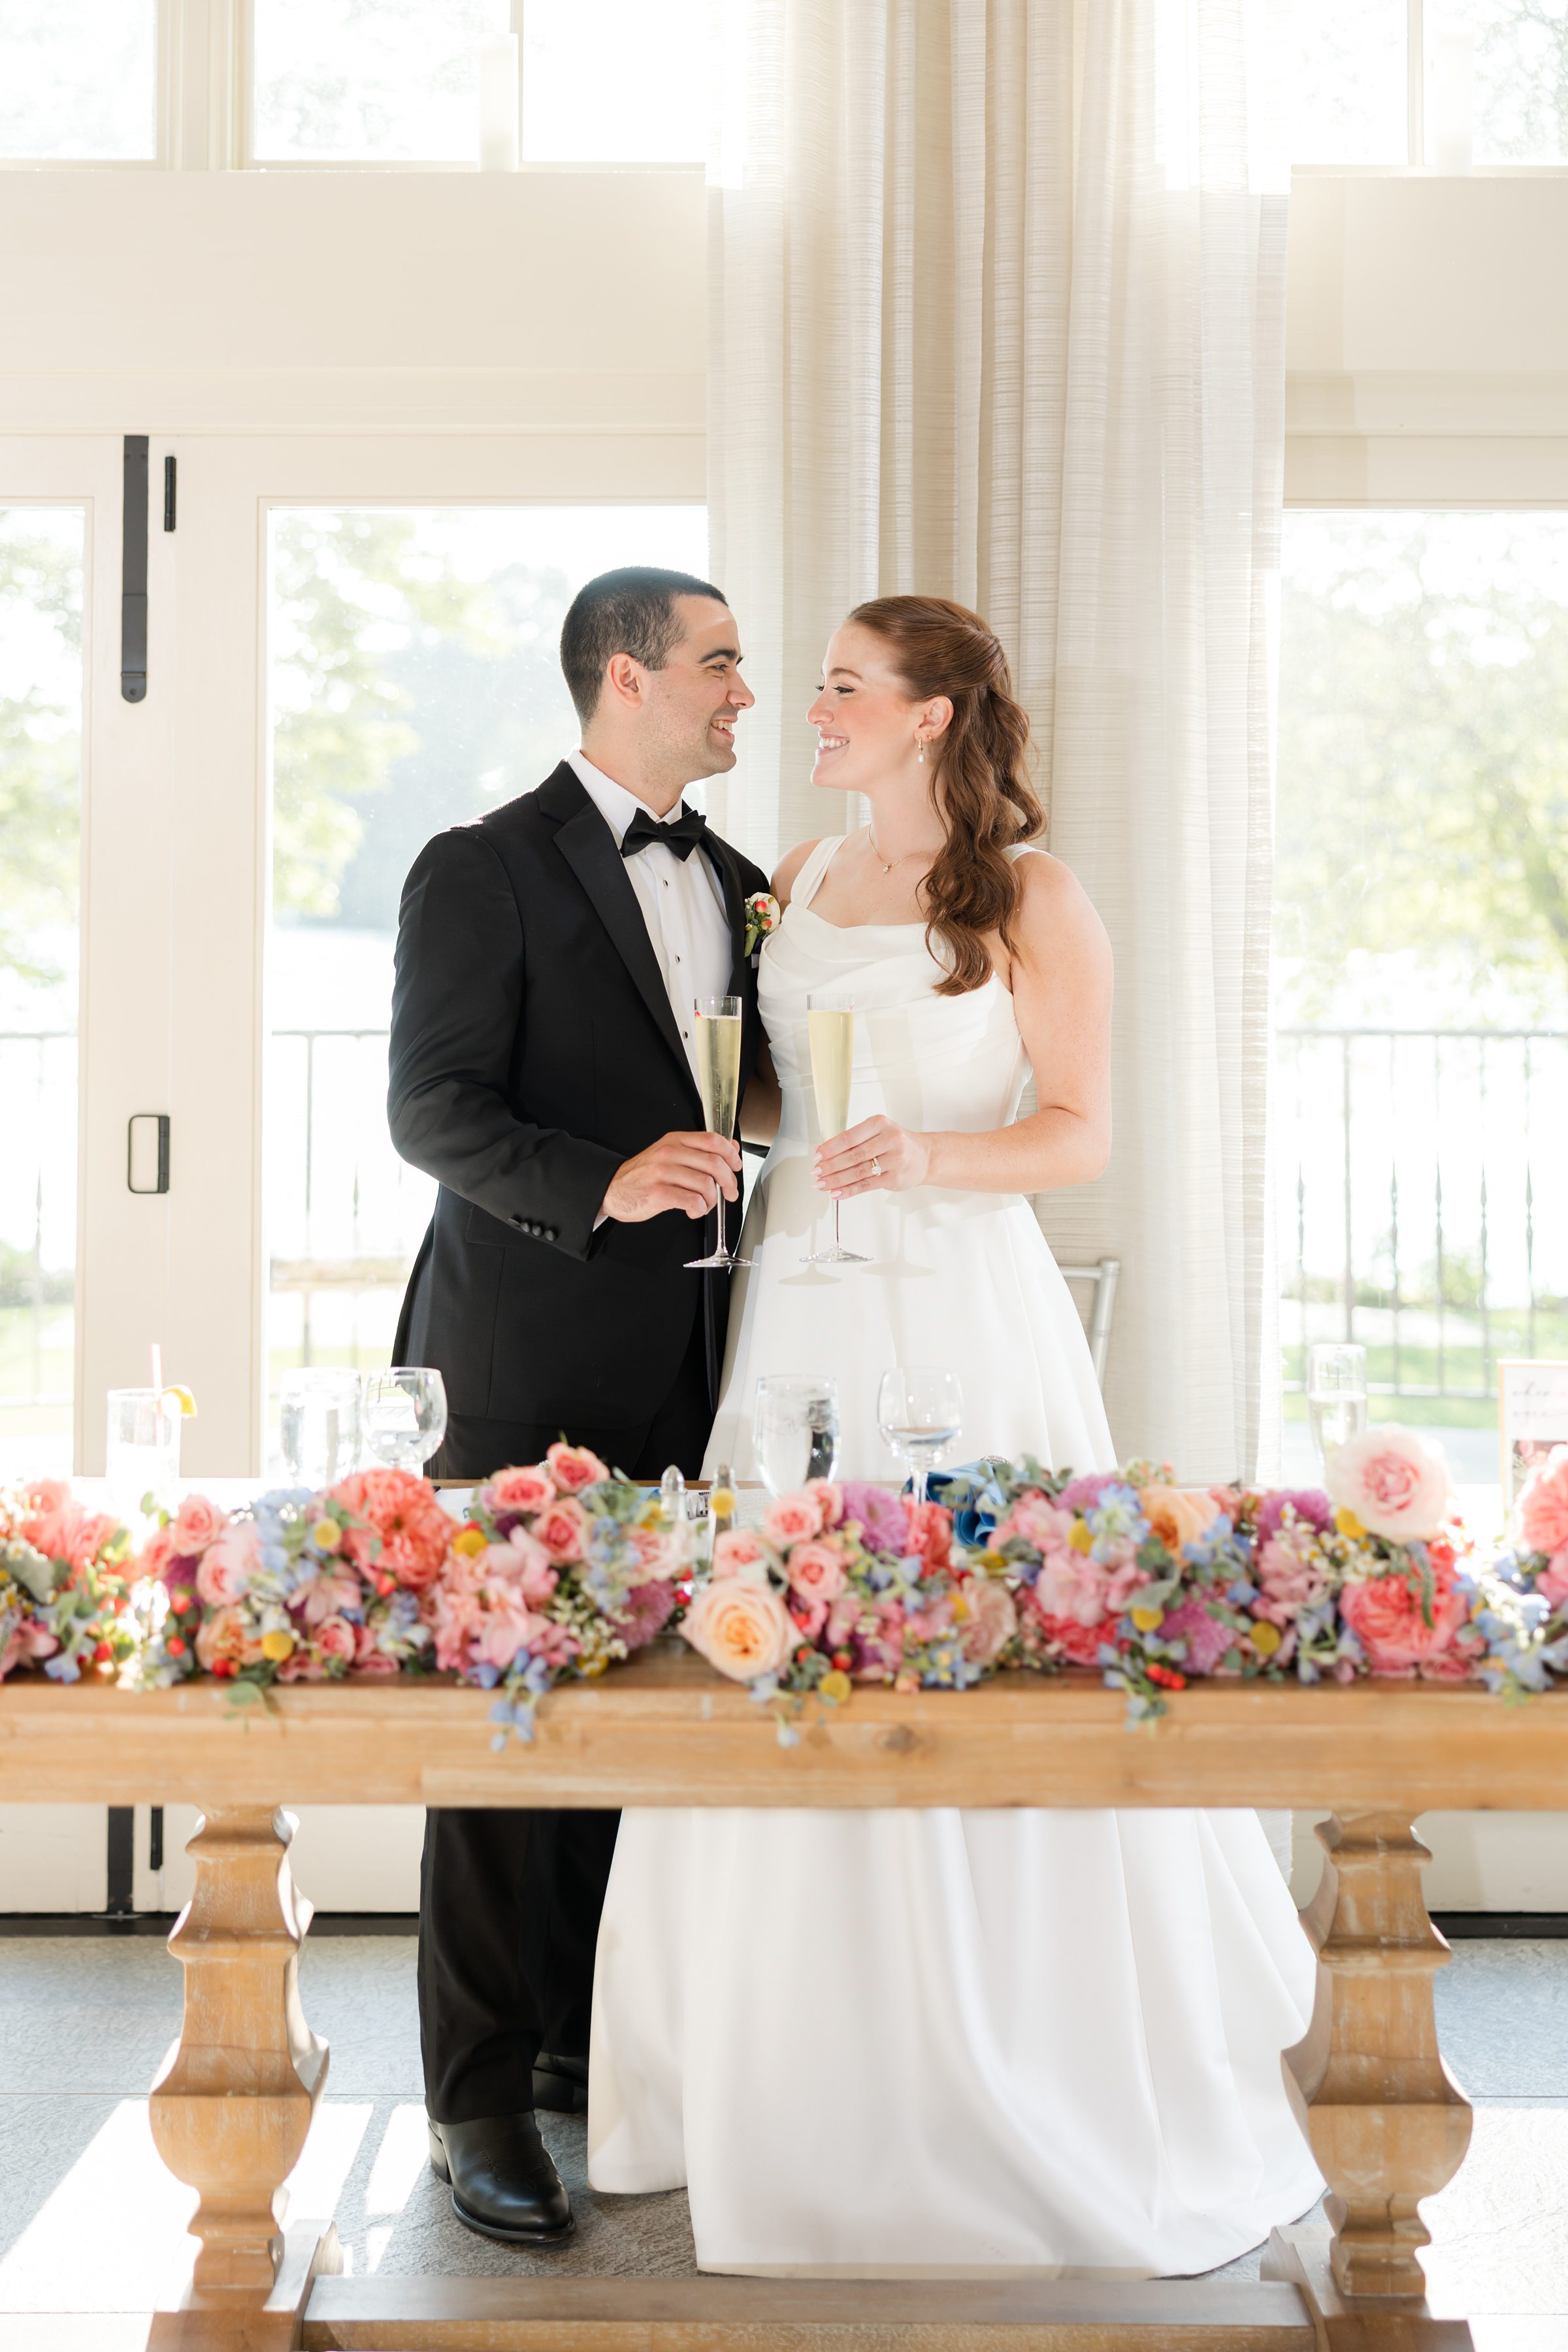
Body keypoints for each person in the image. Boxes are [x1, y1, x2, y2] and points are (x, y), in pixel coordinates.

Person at [587, 595, 1322, 2278]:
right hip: (799, 1300)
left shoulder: (1033, 898)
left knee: (972, 1651)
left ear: (930, 717)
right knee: (774, 1643)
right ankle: (777, 2073)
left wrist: (921, 1157)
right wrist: (699, 1129)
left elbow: (1077, 1134)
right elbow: (785, 1091)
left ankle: (1006, 2069)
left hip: (964, 1316)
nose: (811, 705)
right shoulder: (804, 873)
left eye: (844, 685)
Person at [387, 565, 769, 2246]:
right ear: (626, 677)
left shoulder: (754, 885)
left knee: (640, 1717)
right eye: (720, 665)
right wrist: (603, 1183)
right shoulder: (479, 868)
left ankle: (573, 2050)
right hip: (523, 1356)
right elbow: (431, 1109)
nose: (743, 696)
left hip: (706, 1371)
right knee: (503, 1732)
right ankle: (475, 2100)